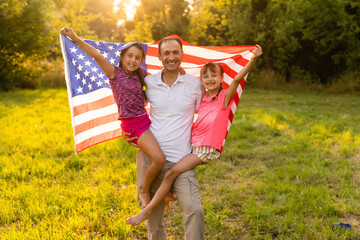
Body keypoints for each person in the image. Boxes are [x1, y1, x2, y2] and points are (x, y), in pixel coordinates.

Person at [126, 45, 263, 226]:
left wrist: (252, 59)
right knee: (169, 175)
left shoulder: (224, 98)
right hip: (195, 146)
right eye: (205, 76)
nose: (210, 79)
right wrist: (139, 135)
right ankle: (166, 196)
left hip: (204, 150)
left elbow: (237, 80)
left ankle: (147, 210)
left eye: (214, 76)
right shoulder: (204, 98)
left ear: (222, 78)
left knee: (171, 174)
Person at [60, 27, 166, 208]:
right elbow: (96, 55)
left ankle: (165, 192)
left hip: (144, 119)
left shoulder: (141, 74)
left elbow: (161, 79)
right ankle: (145, 191)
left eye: (137, 57)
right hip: (132, 125)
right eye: (129, 56)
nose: (133, 60)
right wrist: (75, 37)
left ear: (141, 60)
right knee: (160, 159)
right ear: (122, 57)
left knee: (164, 152)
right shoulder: (114, 73)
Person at [123, 37, 204, 239]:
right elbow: (129, 104)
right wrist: (128, 132)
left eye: (175, 52)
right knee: (153, 219)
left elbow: (208, 115)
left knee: (194, 210)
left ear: (182, 55)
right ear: (159, 57)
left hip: (181, 161)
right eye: (166, 53)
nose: (171, 57)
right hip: (150, 159)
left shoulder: (195, 85)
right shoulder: (148, 82)